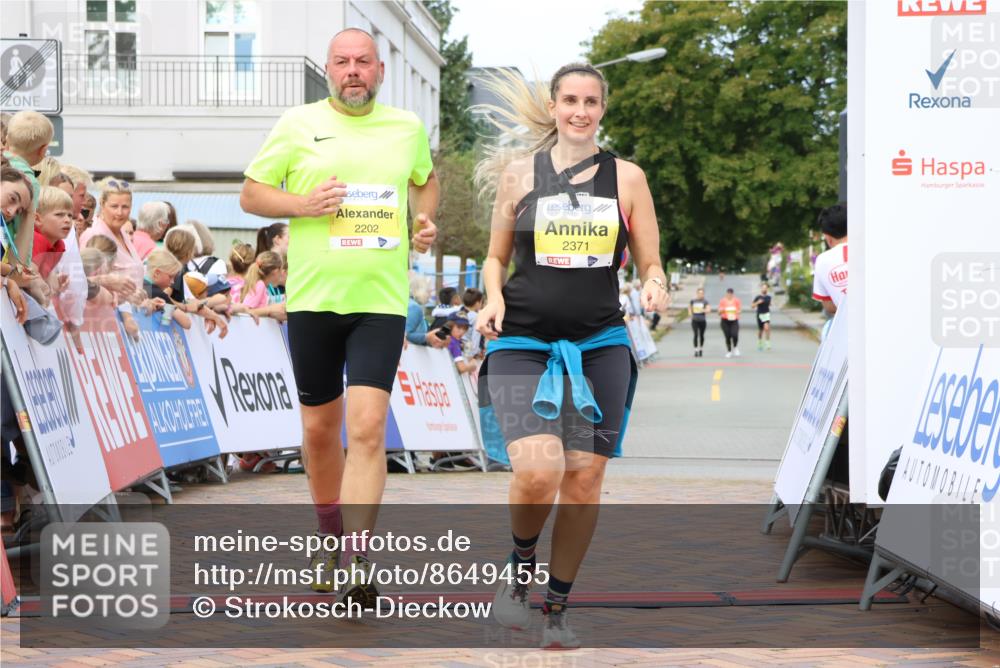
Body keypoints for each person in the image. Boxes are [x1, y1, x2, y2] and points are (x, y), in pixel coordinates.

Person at [239, 27, 439, 606]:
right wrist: (302, 205)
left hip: (380, 301)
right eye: (343, 61)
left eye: (363, 62)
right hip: (313, 301)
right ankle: (330, 538)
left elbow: (425, 182)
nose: (353, 70)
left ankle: (358, 556)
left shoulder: (406, 127)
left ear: (380, 70)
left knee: (369, 428)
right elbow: (251, 195)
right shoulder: (297, 124)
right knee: (319, 432)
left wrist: (424, 222)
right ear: (329, 69)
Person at [472, 63, 668, 648]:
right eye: (570, 100)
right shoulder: (519, 174)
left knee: (583, 479)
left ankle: (557, 609)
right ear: (554, 106)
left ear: (602, 109)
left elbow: (650, 259)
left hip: (600, 344)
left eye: (591, 102)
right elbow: (494, 258)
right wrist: (491, 298)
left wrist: (655, 283)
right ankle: (519, 567)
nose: (580, 111)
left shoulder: (627, 178)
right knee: (538, 472)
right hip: (522, 343)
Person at [4, 111, 53, 264]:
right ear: (43, 150)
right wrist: (24, 265)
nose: (12, 211)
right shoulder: (29, 181)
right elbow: (25, 230)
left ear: (7, 139)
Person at [812, 203, 847, 316]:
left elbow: (829, 306)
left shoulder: (822, 260)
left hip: (848, 323)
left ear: (827, 238)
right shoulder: (871, 249)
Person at [405, 275, 448, 348]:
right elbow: (406, 334)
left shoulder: (411, 304)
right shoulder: (414, 307)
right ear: (420, 291)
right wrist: (427, 337)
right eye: (428, 291)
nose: (430, 294)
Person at [718, 288, 741, 358]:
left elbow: (739, 310)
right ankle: (729, 351)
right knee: (727, 336)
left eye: (731, 293)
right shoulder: (722, 301)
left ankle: (735, 347)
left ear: (732, 294)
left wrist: (737, 311)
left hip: (734, 320)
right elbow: (719, 312)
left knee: (734, 334)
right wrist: (722, 310)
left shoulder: (736, 301)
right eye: (728, 293)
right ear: (726, 294)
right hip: (725, 320)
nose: (729, 295)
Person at [688, 287, 710, 357]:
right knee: (695, 334)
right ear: (697, 294)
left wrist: (703, 310)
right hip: (695, 320)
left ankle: (701, 348)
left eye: (702, 293)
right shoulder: (693, 301)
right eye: (699, 293)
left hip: (702, 320)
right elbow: (689, 308)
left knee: (701, 335)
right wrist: (690, 314)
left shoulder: (705, 301)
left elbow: (708, 310)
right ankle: (696, 350)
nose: (701, 295)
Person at [751, 282, 772, 351]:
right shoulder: (758, 297)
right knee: (761, 330)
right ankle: (760, 343)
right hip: (760, 314)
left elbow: (769, 304)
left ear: (767, 289)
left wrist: (769, 304)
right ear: (761, 289)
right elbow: (752, 306)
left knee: (767, 328)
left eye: (765, 288)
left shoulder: (769, 297)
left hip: (766, 314)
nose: (764, 289)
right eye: (763, 288)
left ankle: (768, 343)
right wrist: (758, 302)